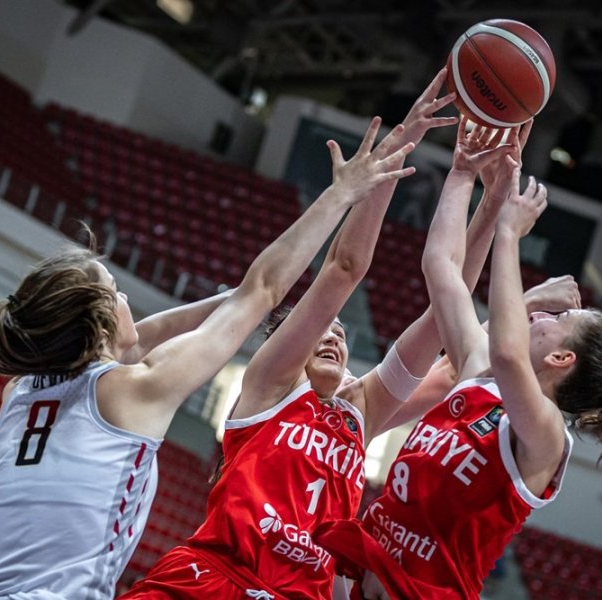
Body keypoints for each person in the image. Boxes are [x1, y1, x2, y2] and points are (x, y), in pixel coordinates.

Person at [0, 112, 417, 600]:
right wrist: (340, 196)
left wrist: (236, 299)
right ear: (98, 325)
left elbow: (140, 339)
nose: (128, 298)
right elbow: (261, 288)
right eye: (117, 291)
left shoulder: (21, 390)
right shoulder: (137, 390)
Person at [119, 68, 500, 600]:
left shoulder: (360, 411)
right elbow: (343, 269)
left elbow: (445, 310)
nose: (333, 335)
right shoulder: (272, 385)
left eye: (343, 334)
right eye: (326, 326)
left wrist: (488, 201)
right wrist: (400, 147)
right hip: (215, 581)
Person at [315, 117, 602, 599]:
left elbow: (509, 356)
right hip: (352, 581)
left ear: (562, 357)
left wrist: (509, 234)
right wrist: (462, 172)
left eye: (559, 318)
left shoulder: (546, 437)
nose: (541, 316)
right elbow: (441, 268)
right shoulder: (477, 375)